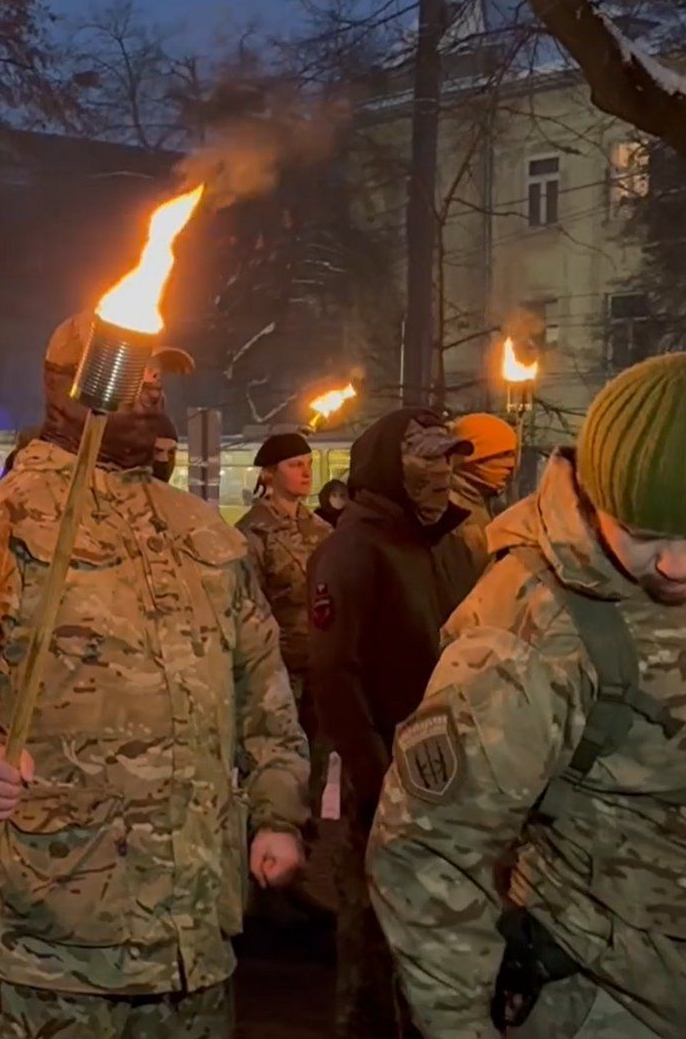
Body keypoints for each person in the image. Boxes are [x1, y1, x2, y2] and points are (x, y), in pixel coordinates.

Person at [0, 315, 308, 1037]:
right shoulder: (2, 528)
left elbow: (263, 687)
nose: (153, 386)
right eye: (132, 374)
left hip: (195, 936)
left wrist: (278, 809)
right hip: (69, 925)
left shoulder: (201, 532)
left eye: (159, 373)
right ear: (68, 392)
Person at [370, 353, 686, 1037]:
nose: (677, 565)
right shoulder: (531, 625)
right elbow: (427, 850)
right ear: (600, 495)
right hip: (615, 1004)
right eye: (644, 534)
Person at [306, 407, 473, 1037]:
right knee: (374, 942)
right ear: (387, 465)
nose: (441, 472)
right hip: (383, 777)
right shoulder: (354, 547)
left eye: (447, 458)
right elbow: (335, 673)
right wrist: (378, 779)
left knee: (435, 942)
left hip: (448, 776)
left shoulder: (447, 546)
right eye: (425, 458)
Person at [236, 431, 331, 825]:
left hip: (320, 662)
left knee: (320, 753)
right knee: (276, 754)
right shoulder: (252, 533)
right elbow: (250, 602)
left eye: (309, 465)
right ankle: (272, 827)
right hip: (278, 666)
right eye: (295, 466)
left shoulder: (322, 529)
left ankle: (308, 829)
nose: (306, 474)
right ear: (270, 475)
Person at [439, 411, 520, 595]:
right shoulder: (454, 512)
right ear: (472, 457)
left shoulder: (478, 502)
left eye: (512, 455)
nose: (511, 464)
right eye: (503, 455)